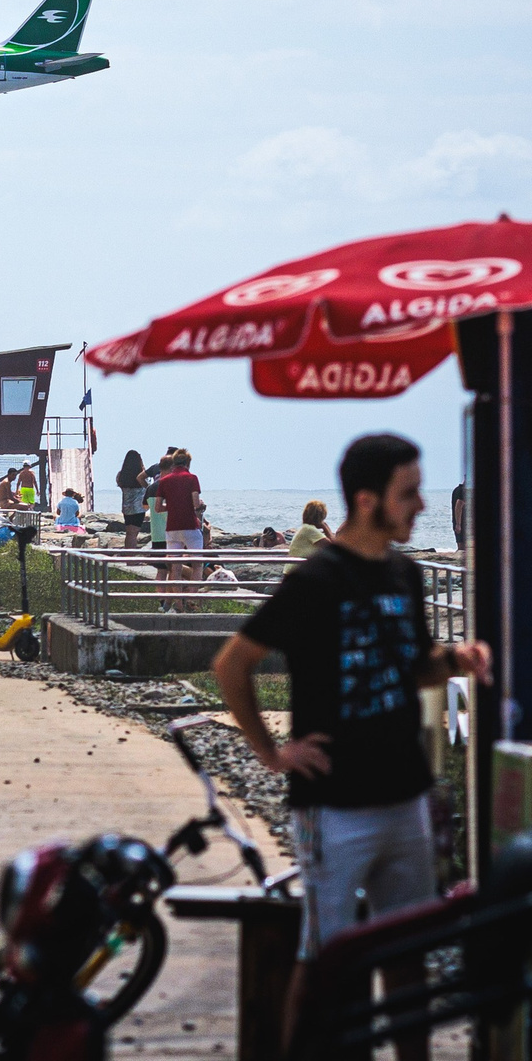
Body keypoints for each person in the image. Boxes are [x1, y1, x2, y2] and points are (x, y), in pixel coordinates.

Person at [211, 434, 491, 1061]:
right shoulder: (318, 579)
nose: (422, 504)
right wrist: (272, 753)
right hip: (333, 806)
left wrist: (458, 659)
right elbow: (233, 664)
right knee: (327, 959)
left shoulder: (405, 572)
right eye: (409, 493)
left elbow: (411, 665)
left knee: (407, 960)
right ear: (368, 500)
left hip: (406, 796)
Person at [158, 449, 206, 588]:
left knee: (175, 568)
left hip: (172, 529)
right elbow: (196, 504)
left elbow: (158, 507)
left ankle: (177, 604)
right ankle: (192, 598)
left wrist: (173, 505)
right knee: (197, 565)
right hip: (190, 526)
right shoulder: (192, 478)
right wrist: (199, 505)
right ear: (188, 463)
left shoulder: (164, 481)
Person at [116, 449, 148, 546]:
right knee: (134, 533)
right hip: (139, 508)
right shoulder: (141, 475)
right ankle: (132, 558)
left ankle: (129, 557)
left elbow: (121, 486)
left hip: (127, 507)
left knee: (129, 533)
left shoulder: (121, 475)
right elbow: (147, 487)